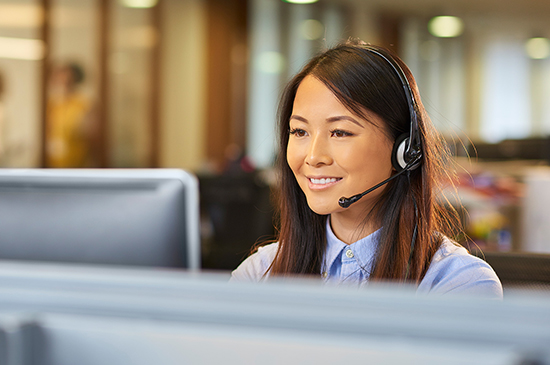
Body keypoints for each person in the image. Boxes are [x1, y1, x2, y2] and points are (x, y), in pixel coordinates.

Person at [231, 39, 502, 298]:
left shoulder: (457, 283)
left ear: (405, 151)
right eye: (299, 131)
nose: (313, 157)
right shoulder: (259, 273)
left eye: (340, 132)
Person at [46, 62, 97, 168]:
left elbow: (91, 134)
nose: (62, 81)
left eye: (67, 77)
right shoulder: (51, 104)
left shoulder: (84, 104)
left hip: (77, 163)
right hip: (52, 164)